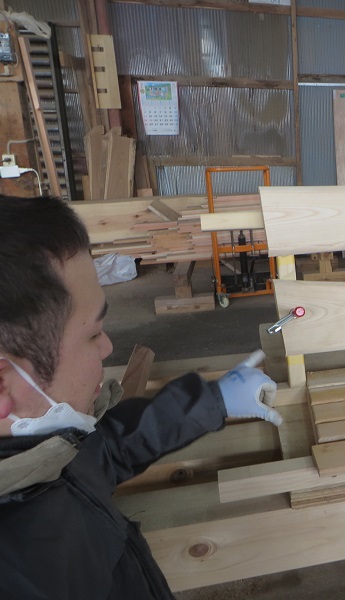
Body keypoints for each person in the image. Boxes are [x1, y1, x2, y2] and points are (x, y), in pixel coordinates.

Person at [0, 194, 281, 599]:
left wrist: (215, 400)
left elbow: (106, 449)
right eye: (93, 334)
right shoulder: (24, 576)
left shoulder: (41, 452)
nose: (108, 347)